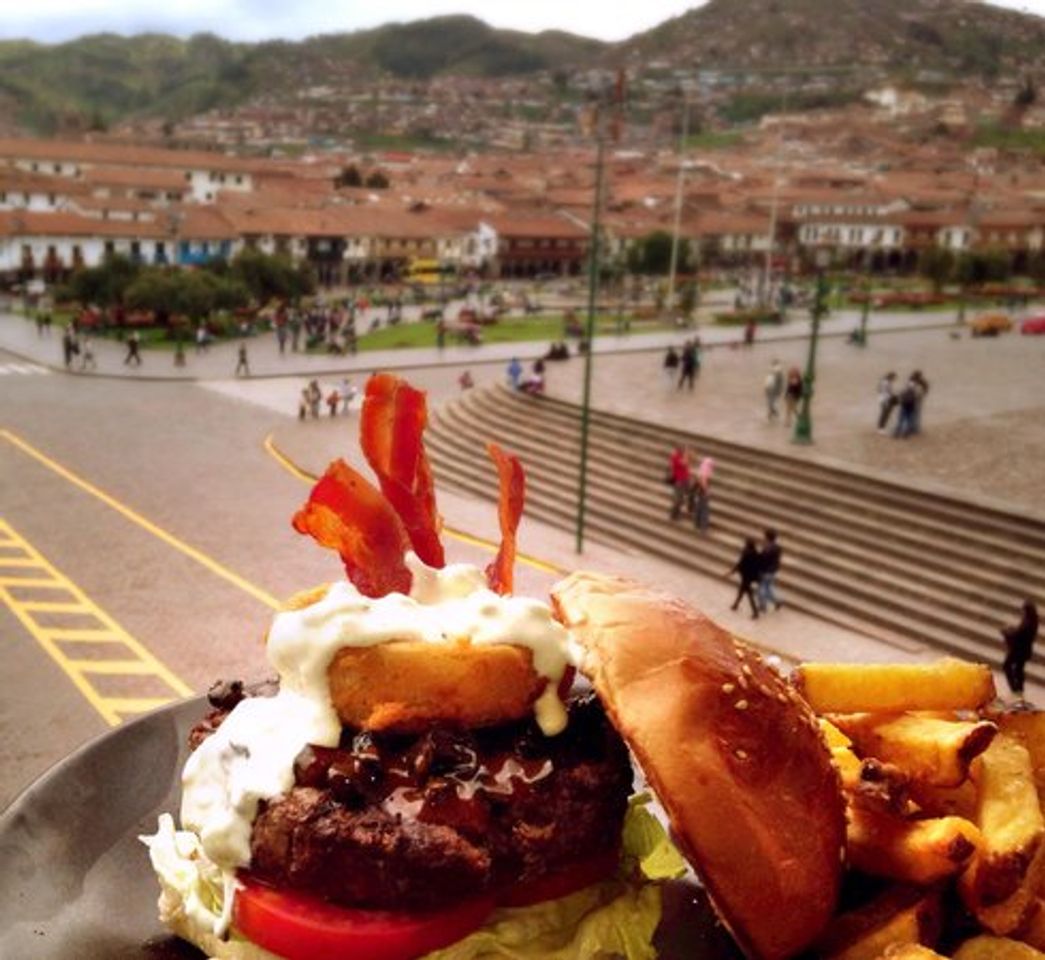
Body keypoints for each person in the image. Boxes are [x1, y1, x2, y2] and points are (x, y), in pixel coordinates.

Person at [1002, 600, 1039, 701]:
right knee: (1019, 669)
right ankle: (1019, 689)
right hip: (1024, 650)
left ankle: (1015, 688)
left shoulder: (1027, 623)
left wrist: (1006, 631)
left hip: (1018, 650)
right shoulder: (1033, 621)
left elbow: (1018, 634)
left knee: (1007, 666)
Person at [729, 538, 762, 619]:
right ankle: (735, 605)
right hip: (751, 576)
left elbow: (740, 563)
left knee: (749, 593)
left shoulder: (746, 553)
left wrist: (733, 571)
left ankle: (755, 612)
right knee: (742, 590)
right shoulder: (756, 553)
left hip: (746, 576)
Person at [758, 528, 783, 612]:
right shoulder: (778, 547)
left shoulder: (767, 548)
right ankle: (777, 601)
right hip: (772, 571)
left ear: (767, 537)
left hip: (766, 571)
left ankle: (763, 605)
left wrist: (760, 570)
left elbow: (763, 560)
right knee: (768, 588)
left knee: (762, 589)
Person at [668, 446, 692, 521]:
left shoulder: (679, 456)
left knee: (688, 495)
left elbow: (687, 464)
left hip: (685, 479)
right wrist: (686, 455)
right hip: (679, 481)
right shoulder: (675, 458)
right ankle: (673, 515)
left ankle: (687, 508)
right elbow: (684, 463)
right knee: (678, 499)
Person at [693, 456, 714, 533]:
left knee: (699, 508)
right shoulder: (706, 471)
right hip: (703, 493)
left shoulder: (701, 470)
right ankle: (703, 527)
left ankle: (696, 524)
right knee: (705, 510)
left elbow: (699, 480)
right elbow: (703, 482)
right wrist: (707, 491)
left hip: (698, 492)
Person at [910, 370, 930, 435]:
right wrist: (923, 394)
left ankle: (913, 428)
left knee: (913, 413)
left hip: (913, 399)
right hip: (917, 399)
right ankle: (916, 428)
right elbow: (926, 389)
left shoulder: (912, 380)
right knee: (917, 413)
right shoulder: (922, 382)